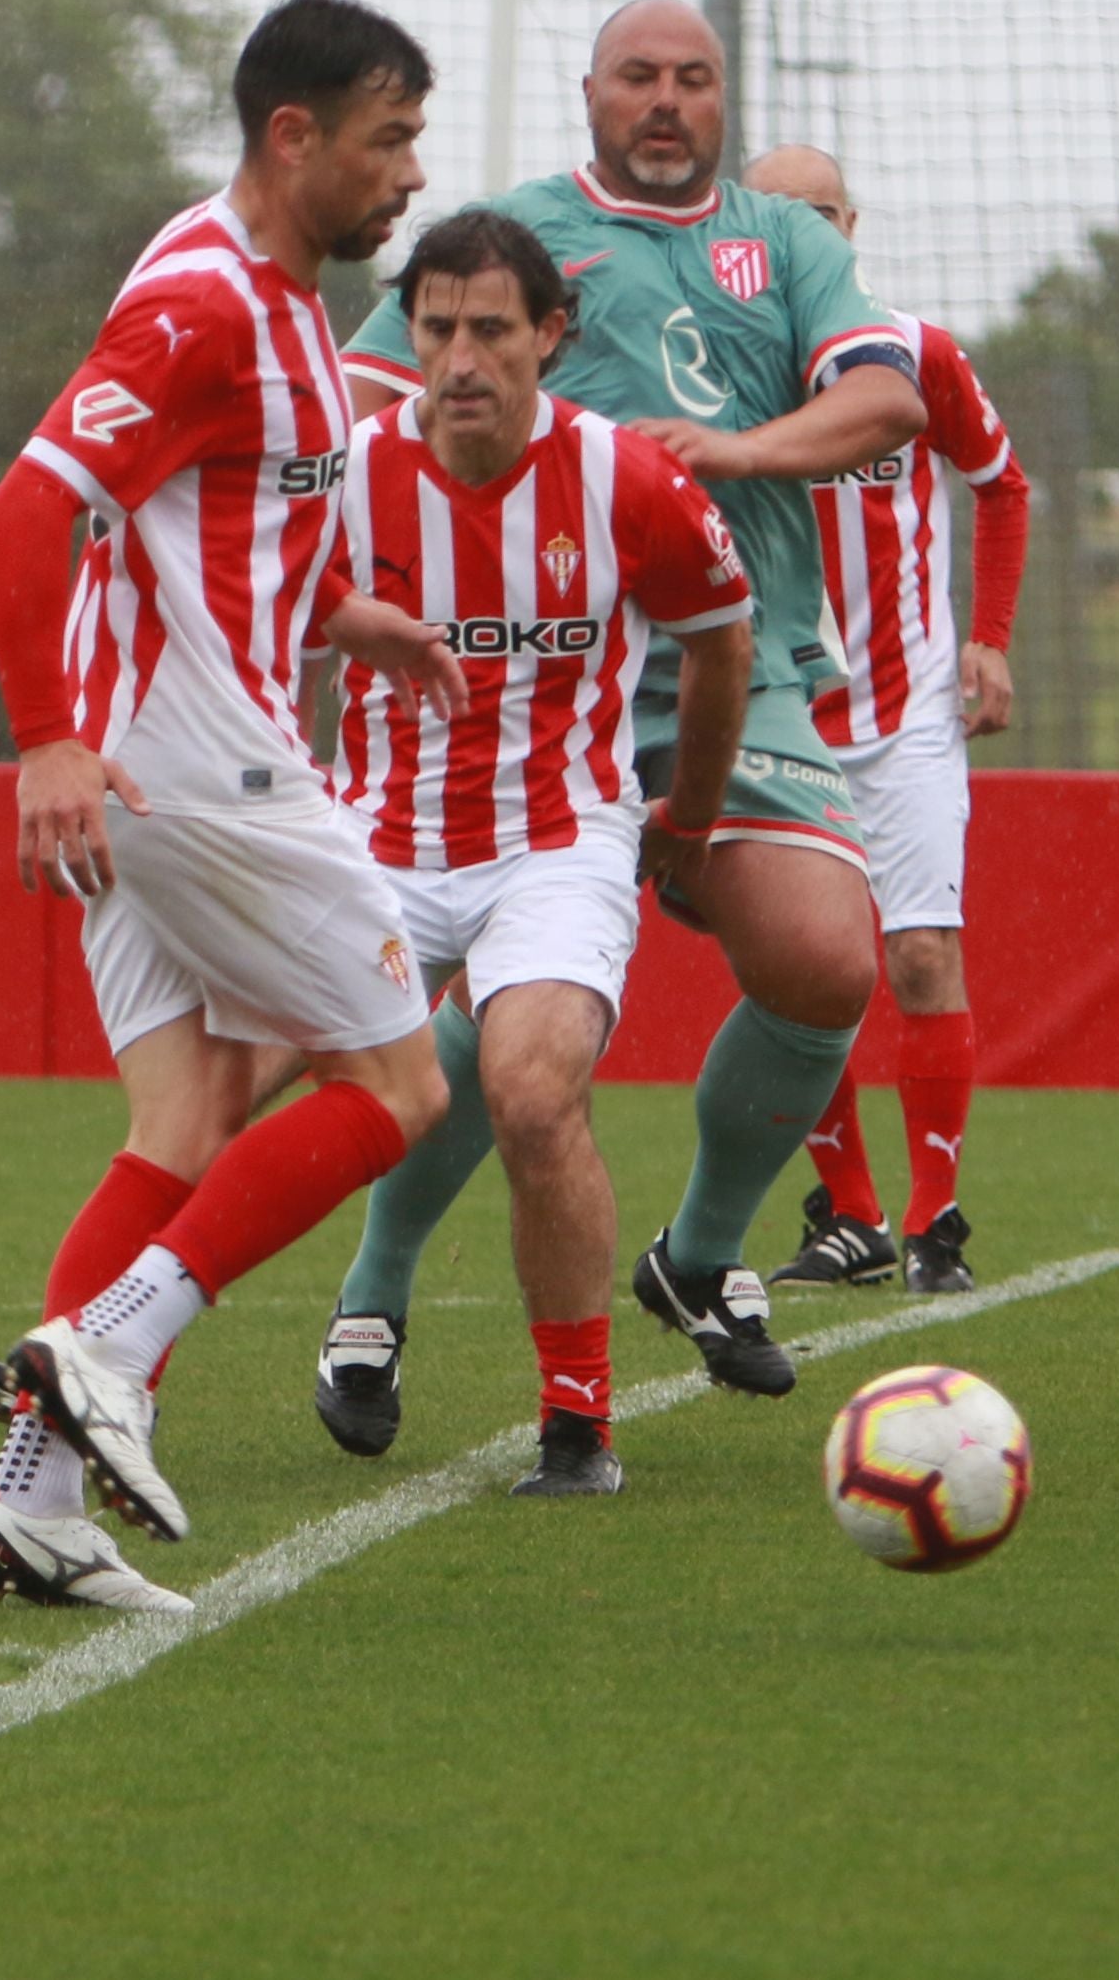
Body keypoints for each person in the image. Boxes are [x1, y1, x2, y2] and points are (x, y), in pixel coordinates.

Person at [314, 0, 927, 1439]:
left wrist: (734, 450)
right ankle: (375, 1283)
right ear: (588, 92)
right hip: (525, 677)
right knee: (504, 1033)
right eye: (637, 76)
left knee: (827, 960)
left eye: (692, 79)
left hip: (736, 658)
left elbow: (887, 400)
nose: (665, 100)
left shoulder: (787, 243)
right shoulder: (511, 240)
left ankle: (698, 1254)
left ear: (723, 99)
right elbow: (356, 408)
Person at [0, 0, 471, 1612]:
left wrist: (345, 616)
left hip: (153, 758)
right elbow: (26, 509)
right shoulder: (204, 306)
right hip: (192, 761)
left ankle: (30, 1502)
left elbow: (207, 531)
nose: (410, 173)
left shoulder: (285, 304)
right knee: (398, 1082)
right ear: (292, 135)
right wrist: (45, 738)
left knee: (185, 1119)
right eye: (388, 139)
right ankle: (111, 1345)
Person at [315, 207, 754, 1496]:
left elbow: (722, 637)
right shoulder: (341, 476)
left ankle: (577, 1422)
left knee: (531, 1093)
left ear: (552, 334)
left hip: (557, 842)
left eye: (492, 330)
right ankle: (111, 1365)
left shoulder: (626, 478)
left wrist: (688, 819)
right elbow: (247, 624)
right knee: (231, 1082)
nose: (461, 359)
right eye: (436, 327)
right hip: (374, 841)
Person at [738, 145, 1030, 1296]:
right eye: (778, 215)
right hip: (779, 716)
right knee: (805, 975)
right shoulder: (720, 367)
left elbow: (1001, 485)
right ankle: (849, 1215)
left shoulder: (914, 354)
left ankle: (933, 1219)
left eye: (820, 213)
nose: (803, 233)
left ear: (850, 226)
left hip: (906, 714)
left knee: (918, 953)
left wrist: (990, 636)